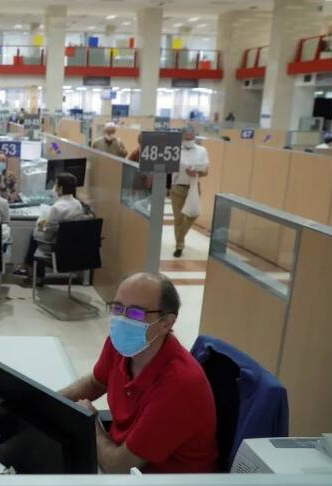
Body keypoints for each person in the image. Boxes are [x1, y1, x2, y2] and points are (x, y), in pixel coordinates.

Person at [59, 273, 218, 474]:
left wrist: (89, 422)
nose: (122, 320)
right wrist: (48, 401)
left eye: (136, 313)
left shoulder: (180, 384)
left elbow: (118, 466)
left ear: (166, 323)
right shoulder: (121, 346)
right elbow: (95, 382)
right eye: (117, 308)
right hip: (123, 456)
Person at [17, 173, 89, 287]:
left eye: (55, 185)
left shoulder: (57, 207)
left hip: (56, 246)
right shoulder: (77, 204)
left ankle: (35, 274)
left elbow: (47, 232)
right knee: (36, 234)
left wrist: (40, 224)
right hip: (70, 245)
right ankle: (27, 267)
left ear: (60, 188)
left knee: (35, 234)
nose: (53, 187)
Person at [170, 127, 209, 258]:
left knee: (194, 214)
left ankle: (180, 236)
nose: (189, 140)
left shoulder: (202, 151)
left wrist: (196, 172)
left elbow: (206, 171)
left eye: (192, 138)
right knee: (178, 218)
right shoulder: (175, 150)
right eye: (187, 138)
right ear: (182, 138)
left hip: (194, 187)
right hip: (177, 187)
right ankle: (179, 246)